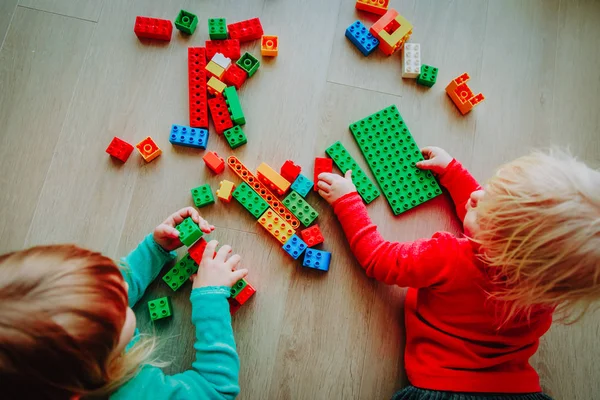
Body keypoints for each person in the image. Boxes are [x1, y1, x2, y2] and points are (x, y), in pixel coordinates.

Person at [317, 147, 600, 400]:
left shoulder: (448, 257)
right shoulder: (550, 282)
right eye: (490, 189)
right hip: (516, 390)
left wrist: (347, 200)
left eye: (484, 208)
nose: (476, 194)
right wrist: (453, 173)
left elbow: (379, 258)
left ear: (495, 248)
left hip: (440, 387)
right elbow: (497, 228)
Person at [0, 207, 247, 399]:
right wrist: (211, 297)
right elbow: (216, 390)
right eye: (120, 305)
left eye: (110, 282)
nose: (125, 286)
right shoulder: (132, 393)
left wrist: (155, 249)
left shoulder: (86, 347)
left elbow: (109, 292)